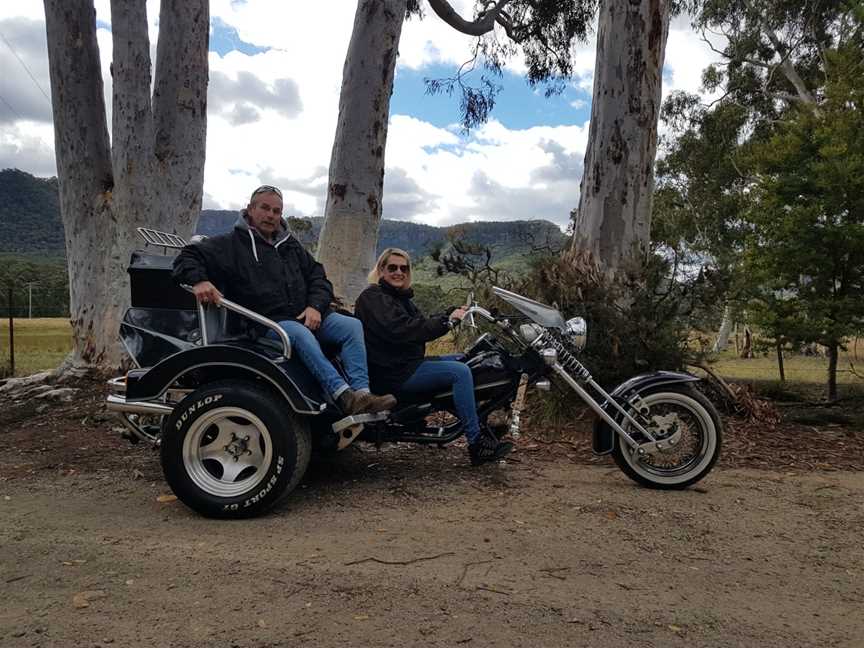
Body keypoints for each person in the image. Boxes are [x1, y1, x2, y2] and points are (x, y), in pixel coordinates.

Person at [172, 185, 396, 416]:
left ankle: (362, 393)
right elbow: (188, 256)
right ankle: (342, 395)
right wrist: (199, 281)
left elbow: (318, 276)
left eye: (277, 211)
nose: (271, 215)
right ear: (250, 209)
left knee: (351, 326)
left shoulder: (290, 245)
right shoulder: (229, 244)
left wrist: (315, 306)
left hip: (306, 315)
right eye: (265, 208)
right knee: (299, 334)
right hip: (265, 322)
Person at [354, 247, 513, 466]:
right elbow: (402, 330)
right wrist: (445, 322)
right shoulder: (373, 297)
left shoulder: (401, 299)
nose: (398, 272)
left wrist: (448, 313)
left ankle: (483, 426)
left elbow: (420, 322)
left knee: (467, 360)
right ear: (381, 270)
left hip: (407, 365)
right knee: (460, 373)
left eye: (404, 268)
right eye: (392, 267)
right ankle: (476, 443)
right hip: (392, 373)